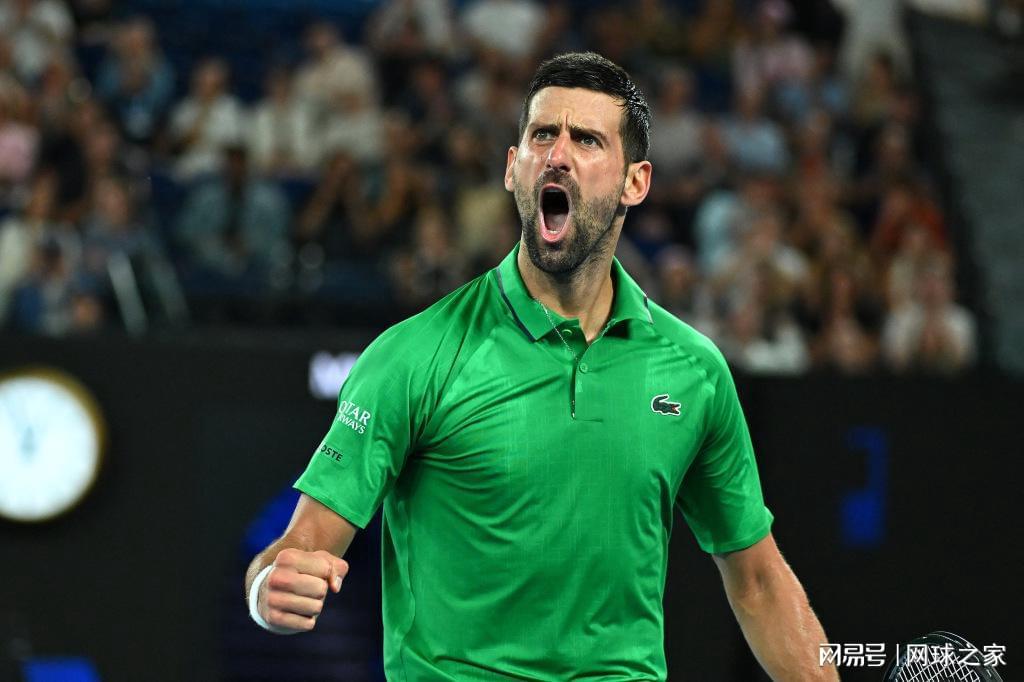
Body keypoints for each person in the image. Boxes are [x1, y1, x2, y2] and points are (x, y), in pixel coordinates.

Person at [244, 52, 837, 681]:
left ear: (635, 183)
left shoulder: (695, 371)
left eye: (587, 140)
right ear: (513, 167)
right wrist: (267, 589)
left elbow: (760, 582)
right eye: (542, 134)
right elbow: (300, 546)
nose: (558, 154)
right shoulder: (412, 355)